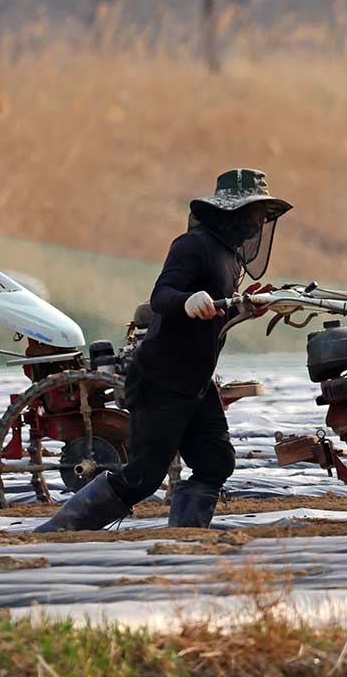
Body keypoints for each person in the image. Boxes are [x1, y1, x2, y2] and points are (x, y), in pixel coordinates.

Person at [37, 168, 291, 531]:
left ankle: (186, 538)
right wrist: (187, 302)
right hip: (162, 379)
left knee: (215, 464)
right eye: (253, 214)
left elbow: (216, 312)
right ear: (231, 212)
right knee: (143, 477)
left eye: (262, 216)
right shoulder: (192, 246)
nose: (257, 223)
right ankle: (59, 532)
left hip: (196, 382)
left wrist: (245, 307)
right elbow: (163, 296)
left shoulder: (231, 257)